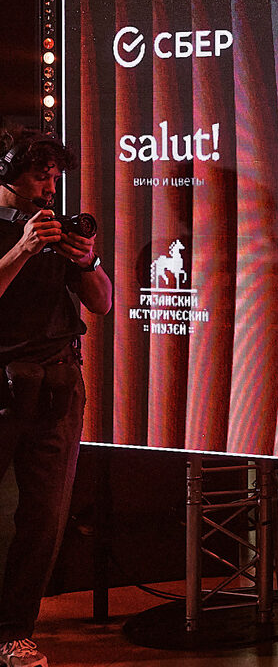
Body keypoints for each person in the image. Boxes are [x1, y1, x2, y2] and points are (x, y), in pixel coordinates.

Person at [0, 130, 112, 667]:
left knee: (45, 517)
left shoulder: (56, 228)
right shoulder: (20, 233)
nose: (50, 188)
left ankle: (14, 632)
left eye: (55, 177)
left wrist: (87, 261)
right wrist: (22, 248)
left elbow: (103, 304)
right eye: (40, 176)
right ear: (8, 172)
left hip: (58, 385)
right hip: (1, 384)